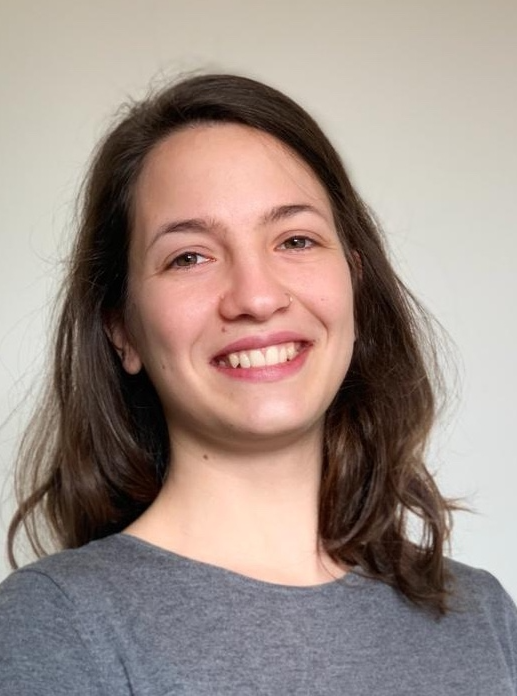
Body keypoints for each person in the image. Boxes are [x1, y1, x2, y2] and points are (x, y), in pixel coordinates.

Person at [0, 73, 515, 695]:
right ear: (122, 329)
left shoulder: (484, 617)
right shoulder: (54, 625)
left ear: (354, 283)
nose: (257, 296)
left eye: (295, 240)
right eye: (190, 256)